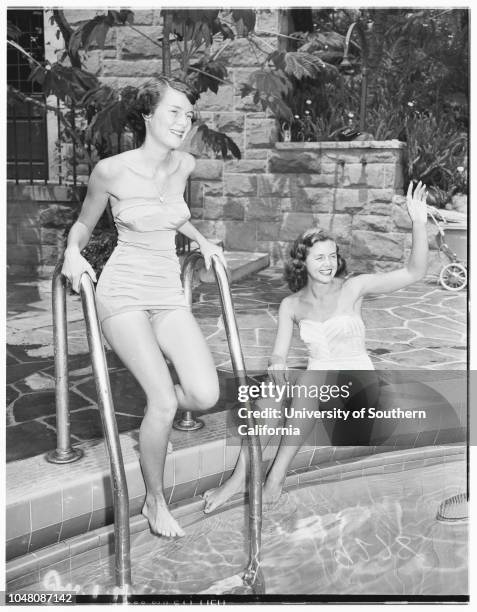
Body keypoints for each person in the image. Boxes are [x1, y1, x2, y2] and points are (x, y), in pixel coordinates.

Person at [62, 76, 226, 538]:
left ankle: (152, 433)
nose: (184, 121)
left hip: (167, 291)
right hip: (124, 292)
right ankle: (155, 501)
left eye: (189, 114)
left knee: (204, 394)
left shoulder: (186, 165)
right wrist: (73, 253)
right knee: (161, 400)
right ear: (148, 116)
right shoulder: (111, 171)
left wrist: (201, 240)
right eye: (174, 111)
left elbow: (174, 214)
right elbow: (82, 224)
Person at [203, 181, 429, 513]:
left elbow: (414, 271)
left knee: (310, 381)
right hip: (320, 384)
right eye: (319, 257)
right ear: (303, 262)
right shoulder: (290, 305)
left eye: (332, 256)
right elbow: (279, 352)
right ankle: (239, 480)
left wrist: (418, 223)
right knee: (272, 390)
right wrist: (277, 363)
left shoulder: (354, 288)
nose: (327, 263)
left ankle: (274, 479)